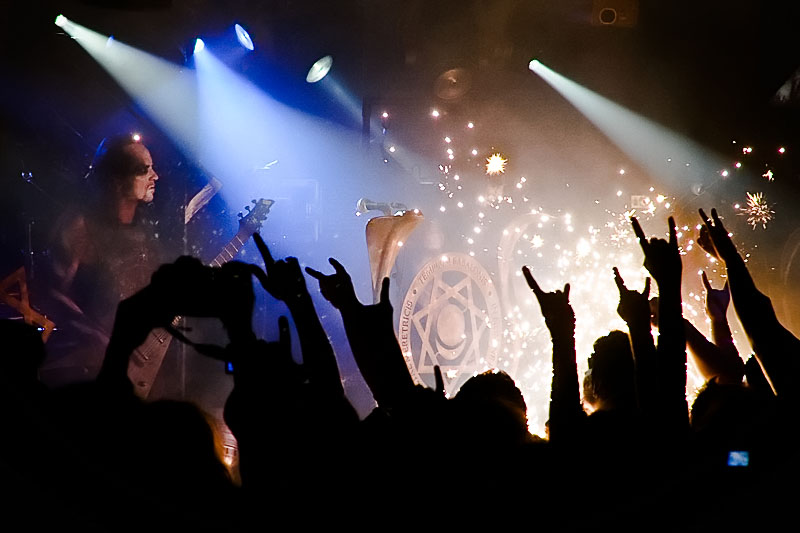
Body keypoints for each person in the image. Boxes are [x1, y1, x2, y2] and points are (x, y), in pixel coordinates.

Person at [42, 134, 164, 383]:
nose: (155, 177)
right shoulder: (81, 226)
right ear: (117, 182)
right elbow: (50, 294)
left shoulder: (145, 231)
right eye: (144, 170)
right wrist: (98, 336)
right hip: (87, 371)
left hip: (138, 371)